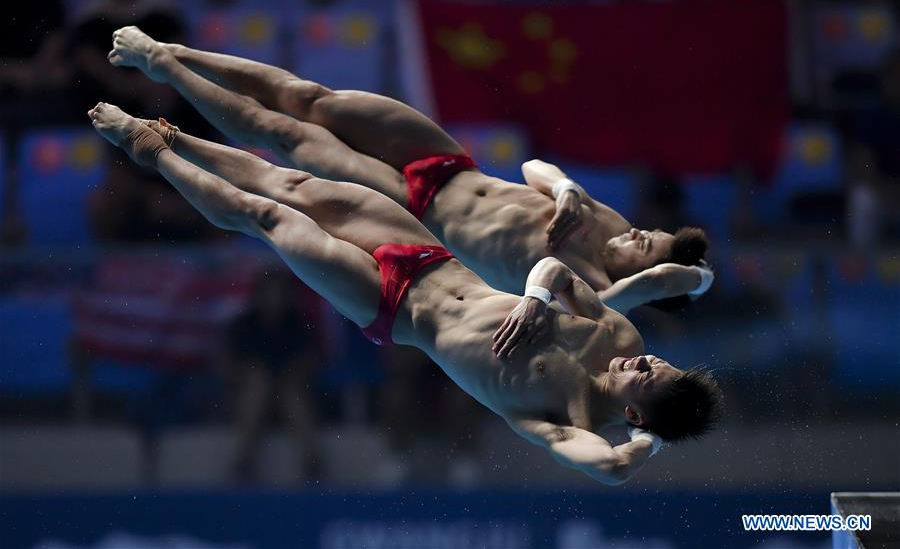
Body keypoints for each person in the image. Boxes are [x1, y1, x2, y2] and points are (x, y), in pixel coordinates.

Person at [87, 101, 723, 485]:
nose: (644, 359)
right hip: (429, 255)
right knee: (293, 186)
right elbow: (560, 275)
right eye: (657, 361)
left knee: (270, 219)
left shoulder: (568, 421)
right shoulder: (620, 334)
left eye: (649, 377)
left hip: (389, 307)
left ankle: (152, 154)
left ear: (636, 416)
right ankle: (171, 134)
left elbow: (610, 467)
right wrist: (533, 295)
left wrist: (650, 443)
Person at [106, 26, 714, 313]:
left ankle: (166, 71)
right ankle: (176, 49)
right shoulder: (603, 221)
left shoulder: (594, 294)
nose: (635, 233)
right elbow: (532, 164)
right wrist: (566, 188)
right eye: (647, 229)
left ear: (652, 277)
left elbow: (640, 293)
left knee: (284, 135)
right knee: (310, 97)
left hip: (411, 204)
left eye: (645, 246)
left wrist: (691, 277)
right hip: (445, 160)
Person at [224, 269, 323, 483]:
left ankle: (312, 463)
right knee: (258, 386)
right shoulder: (244, 324)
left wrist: (289, 376)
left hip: (287, 397)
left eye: (281, 292)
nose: (276, 298)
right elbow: (226, 364)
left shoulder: (297, 325)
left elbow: (308, 362)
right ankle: (243, 461)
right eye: (271, 292)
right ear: (259, 294)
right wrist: (249, 373)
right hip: (249, 399)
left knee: (290, 394)